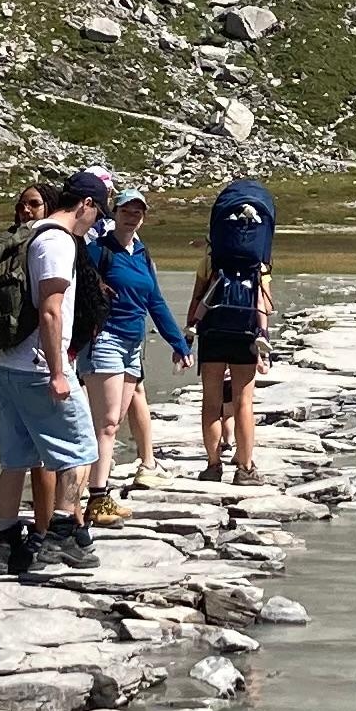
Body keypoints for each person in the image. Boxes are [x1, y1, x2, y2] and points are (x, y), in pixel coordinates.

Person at [0, 169, 106, 568]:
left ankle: (6, 546)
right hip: (40, 368)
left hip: (7, 365)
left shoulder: (27, 235)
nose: (96, 222)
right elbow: (52, 310)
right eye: (97, 212)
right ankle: (59, 533)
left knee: (16, 459)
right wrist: (58, 371)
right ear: (85, 205)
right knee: (82, 450)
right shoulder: (56, 241)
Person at [78, 190, 190, 520]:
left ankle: (95, 493)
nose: (132, 216)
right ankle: (94, 498)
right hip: (105, 341)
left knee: (113, 421)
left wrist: (178, 343)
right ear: (115, 212)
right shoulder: (98, 250)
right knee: (107, 422)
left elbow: (155, 301)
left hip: (132, 344)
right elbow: (79, 293)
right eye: (127, 209)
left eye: (138, 211)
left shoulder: (141, 253)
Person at [191, 174, 276, 485]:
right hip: (244, 334)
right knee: (244, 401)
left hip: (213, 331)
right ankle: (245, 467)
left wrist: (190, 332)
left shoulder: (212, 261)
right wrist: (263, 336)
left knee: (211, 400)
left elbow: (197, 297)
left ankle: (213, 465)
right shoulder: (259, 264)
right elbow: (263, 303)